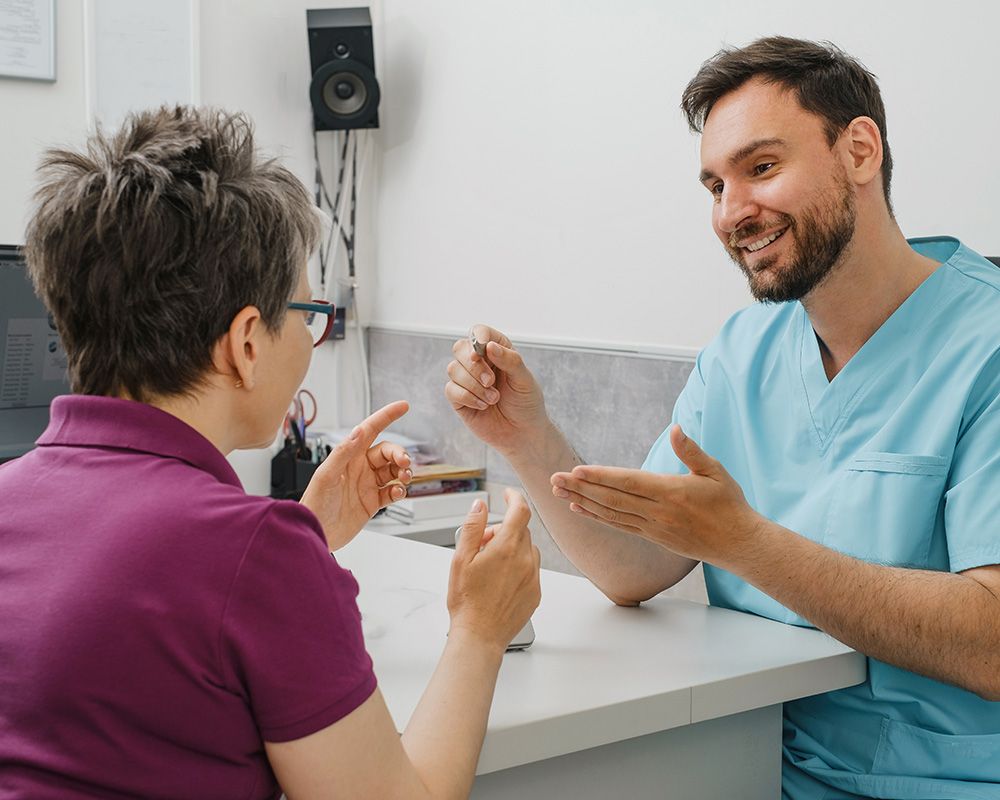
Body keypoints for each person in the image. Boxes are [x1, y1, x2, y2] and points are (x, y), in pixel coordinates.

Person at [446, 36, 1000, 799]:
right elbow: (633, 568)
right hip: (747, 761)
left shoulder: (985, 345)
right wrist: (523, 433)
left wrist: (745, 545)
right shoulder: (744, 350)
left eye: (762, 168)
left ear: (860, 151)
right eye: (714, 185)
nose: (732, 213)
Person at [0, 106, 541, 800]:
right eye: (308, 317)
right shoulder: (256, 555)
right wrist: (481, 627)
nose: (308, 343)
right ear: (247, 342)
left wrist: (302, 542)